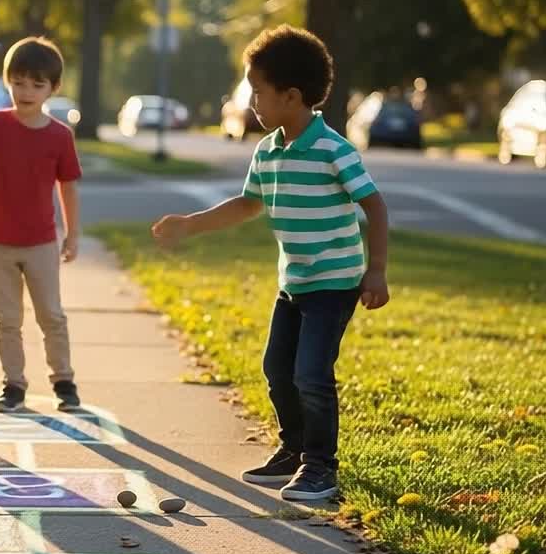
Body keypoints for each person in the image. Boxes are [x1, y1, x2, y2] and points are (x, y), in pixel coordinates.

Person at [152, 25, 391, 501]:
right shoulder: (268, 150)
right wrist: (190, 225)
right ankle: (293, 449)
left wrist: (377, 269)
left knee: (311, 374)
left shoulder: (333, 151)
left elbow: (375, 207)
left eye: (258, 92)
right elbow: (246, 204)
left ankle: (321, 466)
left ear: (292, 96)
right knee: (277, 369)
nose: (251, 102)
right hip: (295, 283)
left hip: (335, 282)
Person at [0, 36, 83, 413]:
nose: (26, 91)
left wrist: (73, 233)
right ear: (7, 82)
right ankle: (13, 385)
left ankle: (64, 381)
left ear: (53, 88)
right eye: (19, 82)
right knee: (7, 319)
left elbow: (68, 187)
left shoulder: (60, 135)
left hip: (40, 240)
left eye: (37, 84)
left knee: (51, 315)